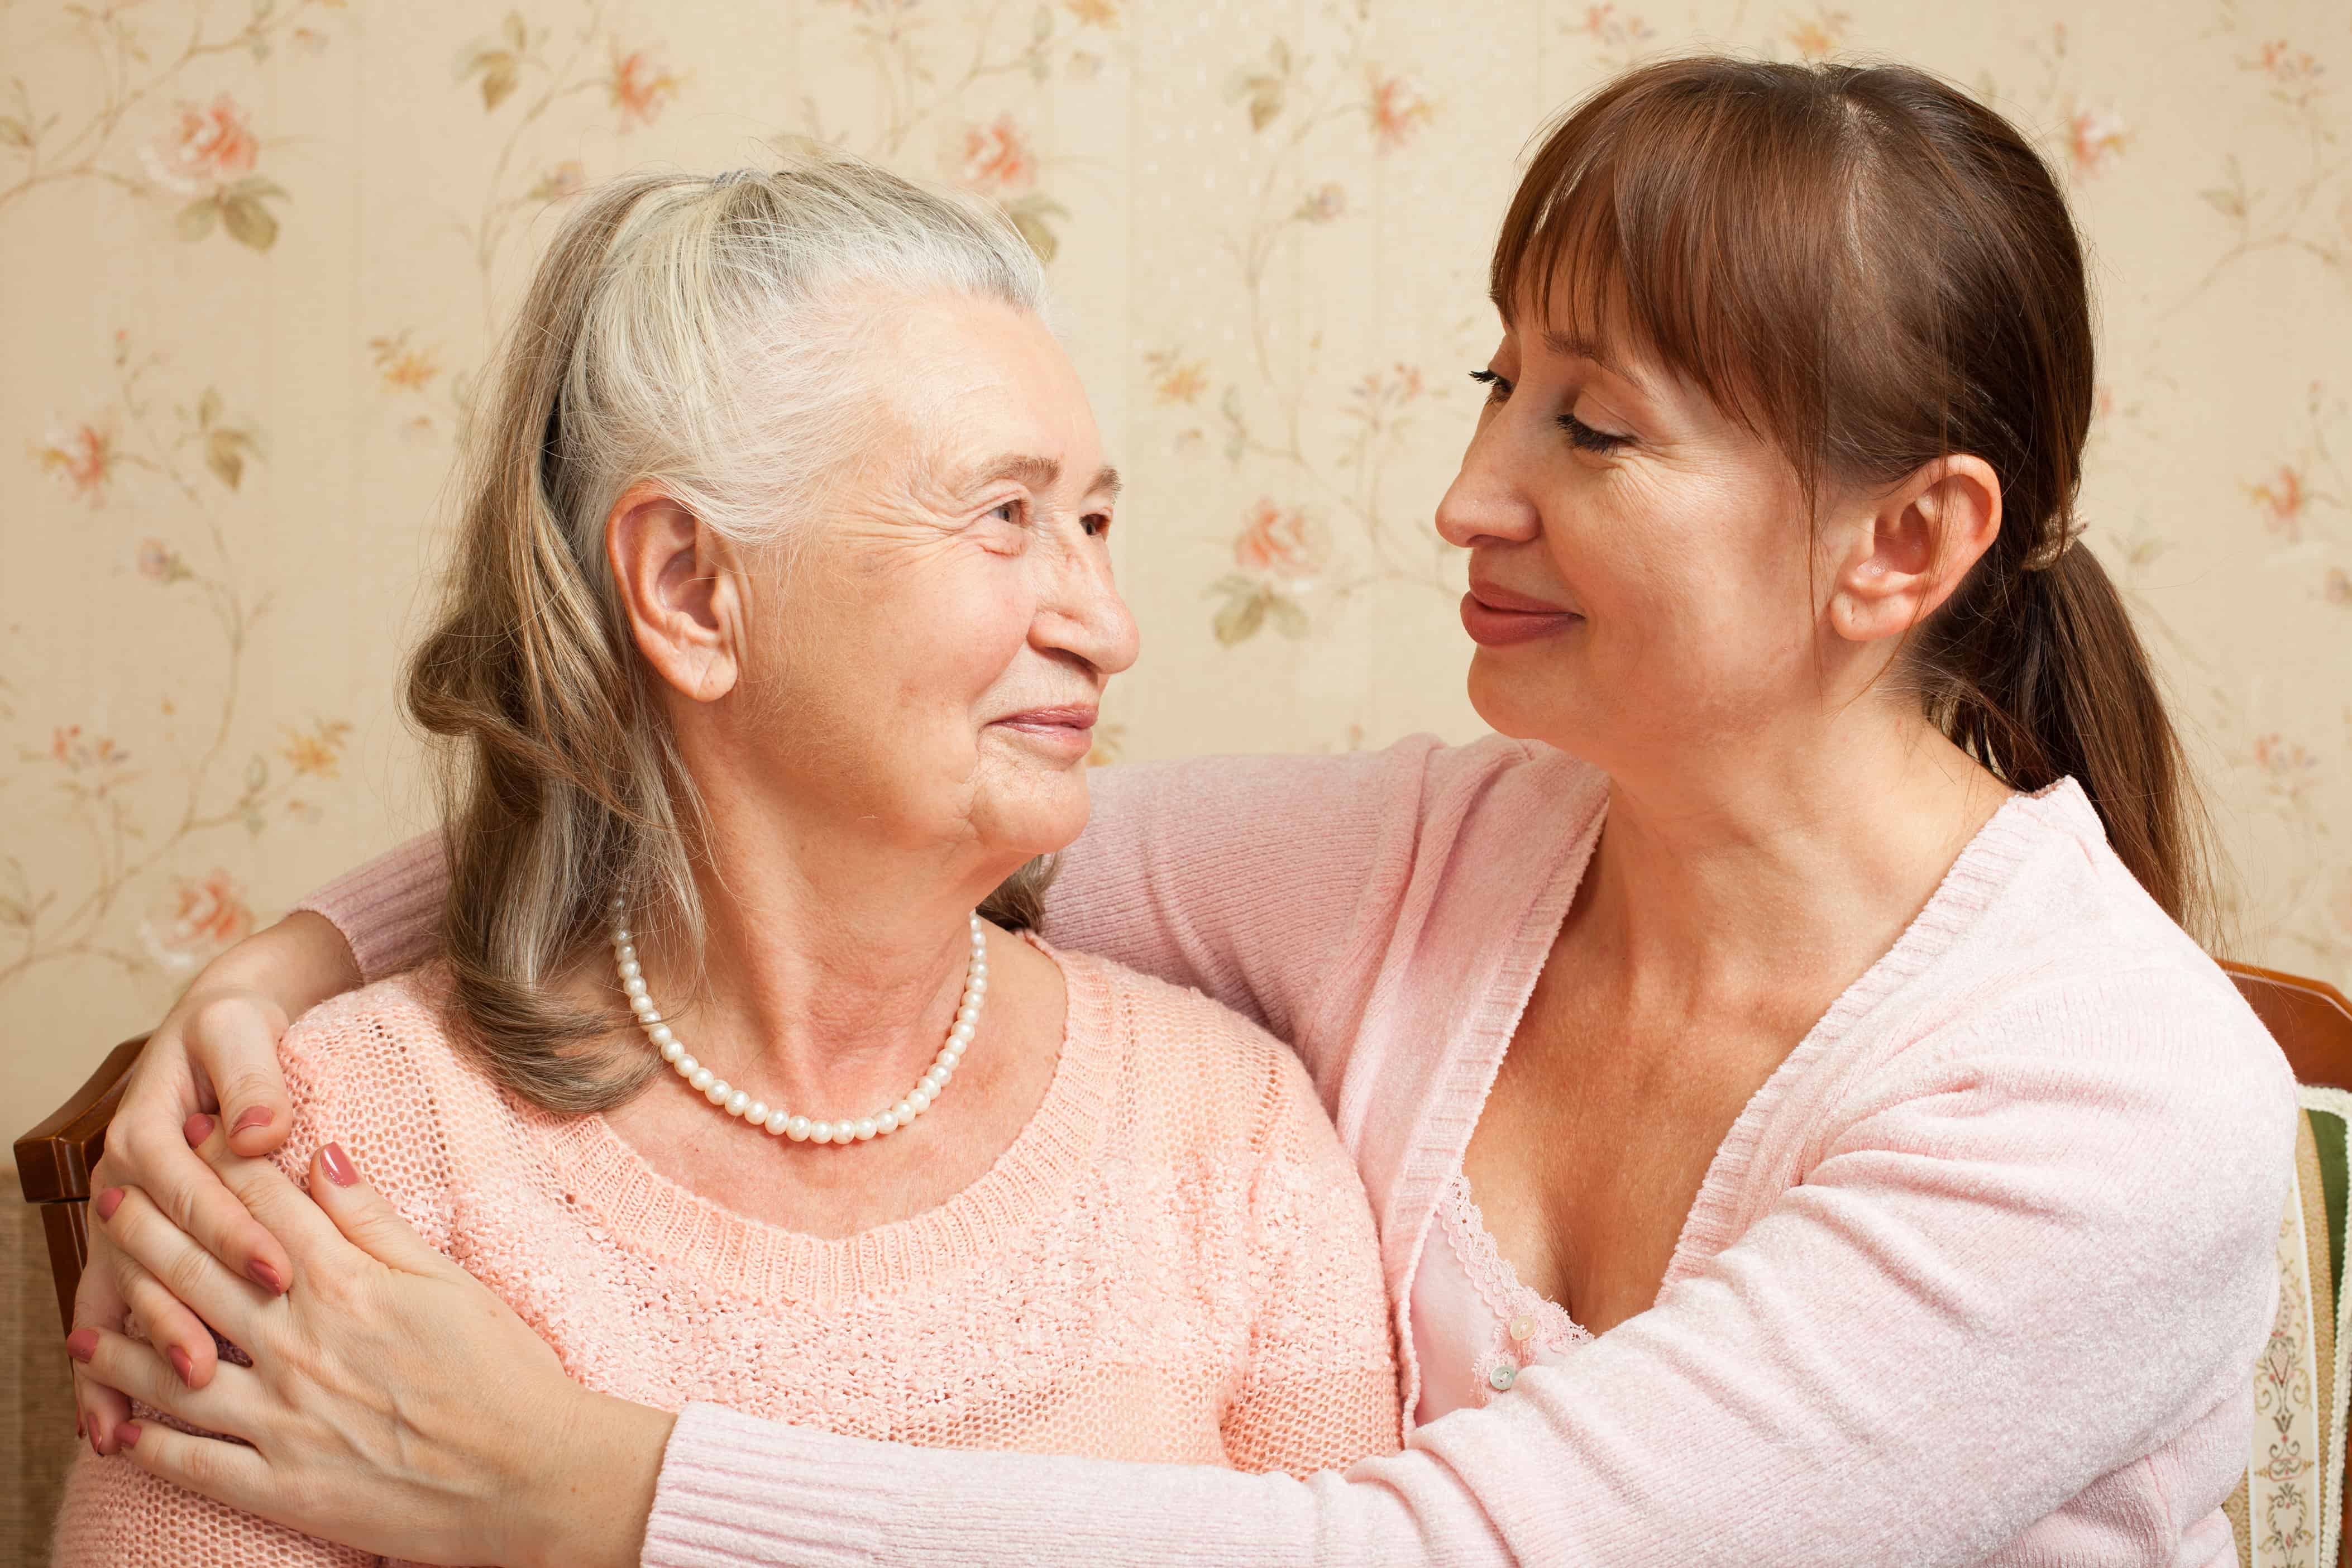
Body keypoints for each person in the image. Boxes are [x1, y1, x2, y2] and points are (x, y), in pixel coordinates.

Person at [68, 56, 2294, 1567]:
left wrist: (609, 1490)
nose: (1468, 493)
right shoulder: (1437, 862)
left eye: (1593, 428)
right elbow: (824, 819)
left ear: (1900, 551)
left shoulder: (2113, 1102)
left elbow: (1437, 1558)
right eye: (1492, 382)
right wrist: (276, 976)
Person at [49, 152, 1402, 1566]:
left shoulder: (1229, 1135)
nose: (1106, 624)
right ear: (692, 591)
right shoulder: (341, 1147)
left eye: (1094, 521)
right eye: (1006, 514)